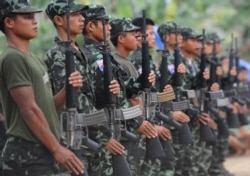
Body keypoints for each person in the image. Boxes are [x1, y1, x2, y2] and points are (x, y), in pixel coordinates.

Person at [0, 0, 85, 175]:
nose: (34, 21)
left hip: (42, 146)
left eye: (34, 16)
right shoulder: (13, 58)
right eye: (27, 17)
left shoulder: (34, 59)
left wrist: (68, 89)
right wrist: (57, 149)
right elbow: (28, 110)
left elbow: (48, 108)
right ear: (9, 22)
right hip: (27, 151)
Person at [44, 1, 124, 175]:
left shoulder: (79, 53)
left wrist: (112, 92)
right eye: (74, 15)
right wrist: (103, 135)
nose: (81, 18)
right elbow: (73, 99)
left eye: (81, 14)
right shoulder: (58, 54)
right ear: (58, 20)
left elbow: (92, 97)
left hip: (91, 136)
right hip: (76, 139)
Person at [82, 5, 158, 175]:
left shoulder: (105, 55)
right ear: (91, 27)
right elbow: (94, 100)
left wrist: (143, 80)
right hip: (104, 132)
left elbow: (127, 88)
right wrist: (137, 122)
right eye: (105, 23)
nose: (109, 27)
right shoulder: (89, 57)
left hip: (116, 128)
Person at [110, 17, 171, 176]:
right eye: (133, 34)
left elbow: (138, 96)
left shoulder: (126, 61)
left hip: (139, 126)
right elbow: (129, 98)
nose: (139, 37)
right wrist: (143, 121)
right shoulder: (118, 62)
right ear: (121, 39)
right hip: (132, 128)